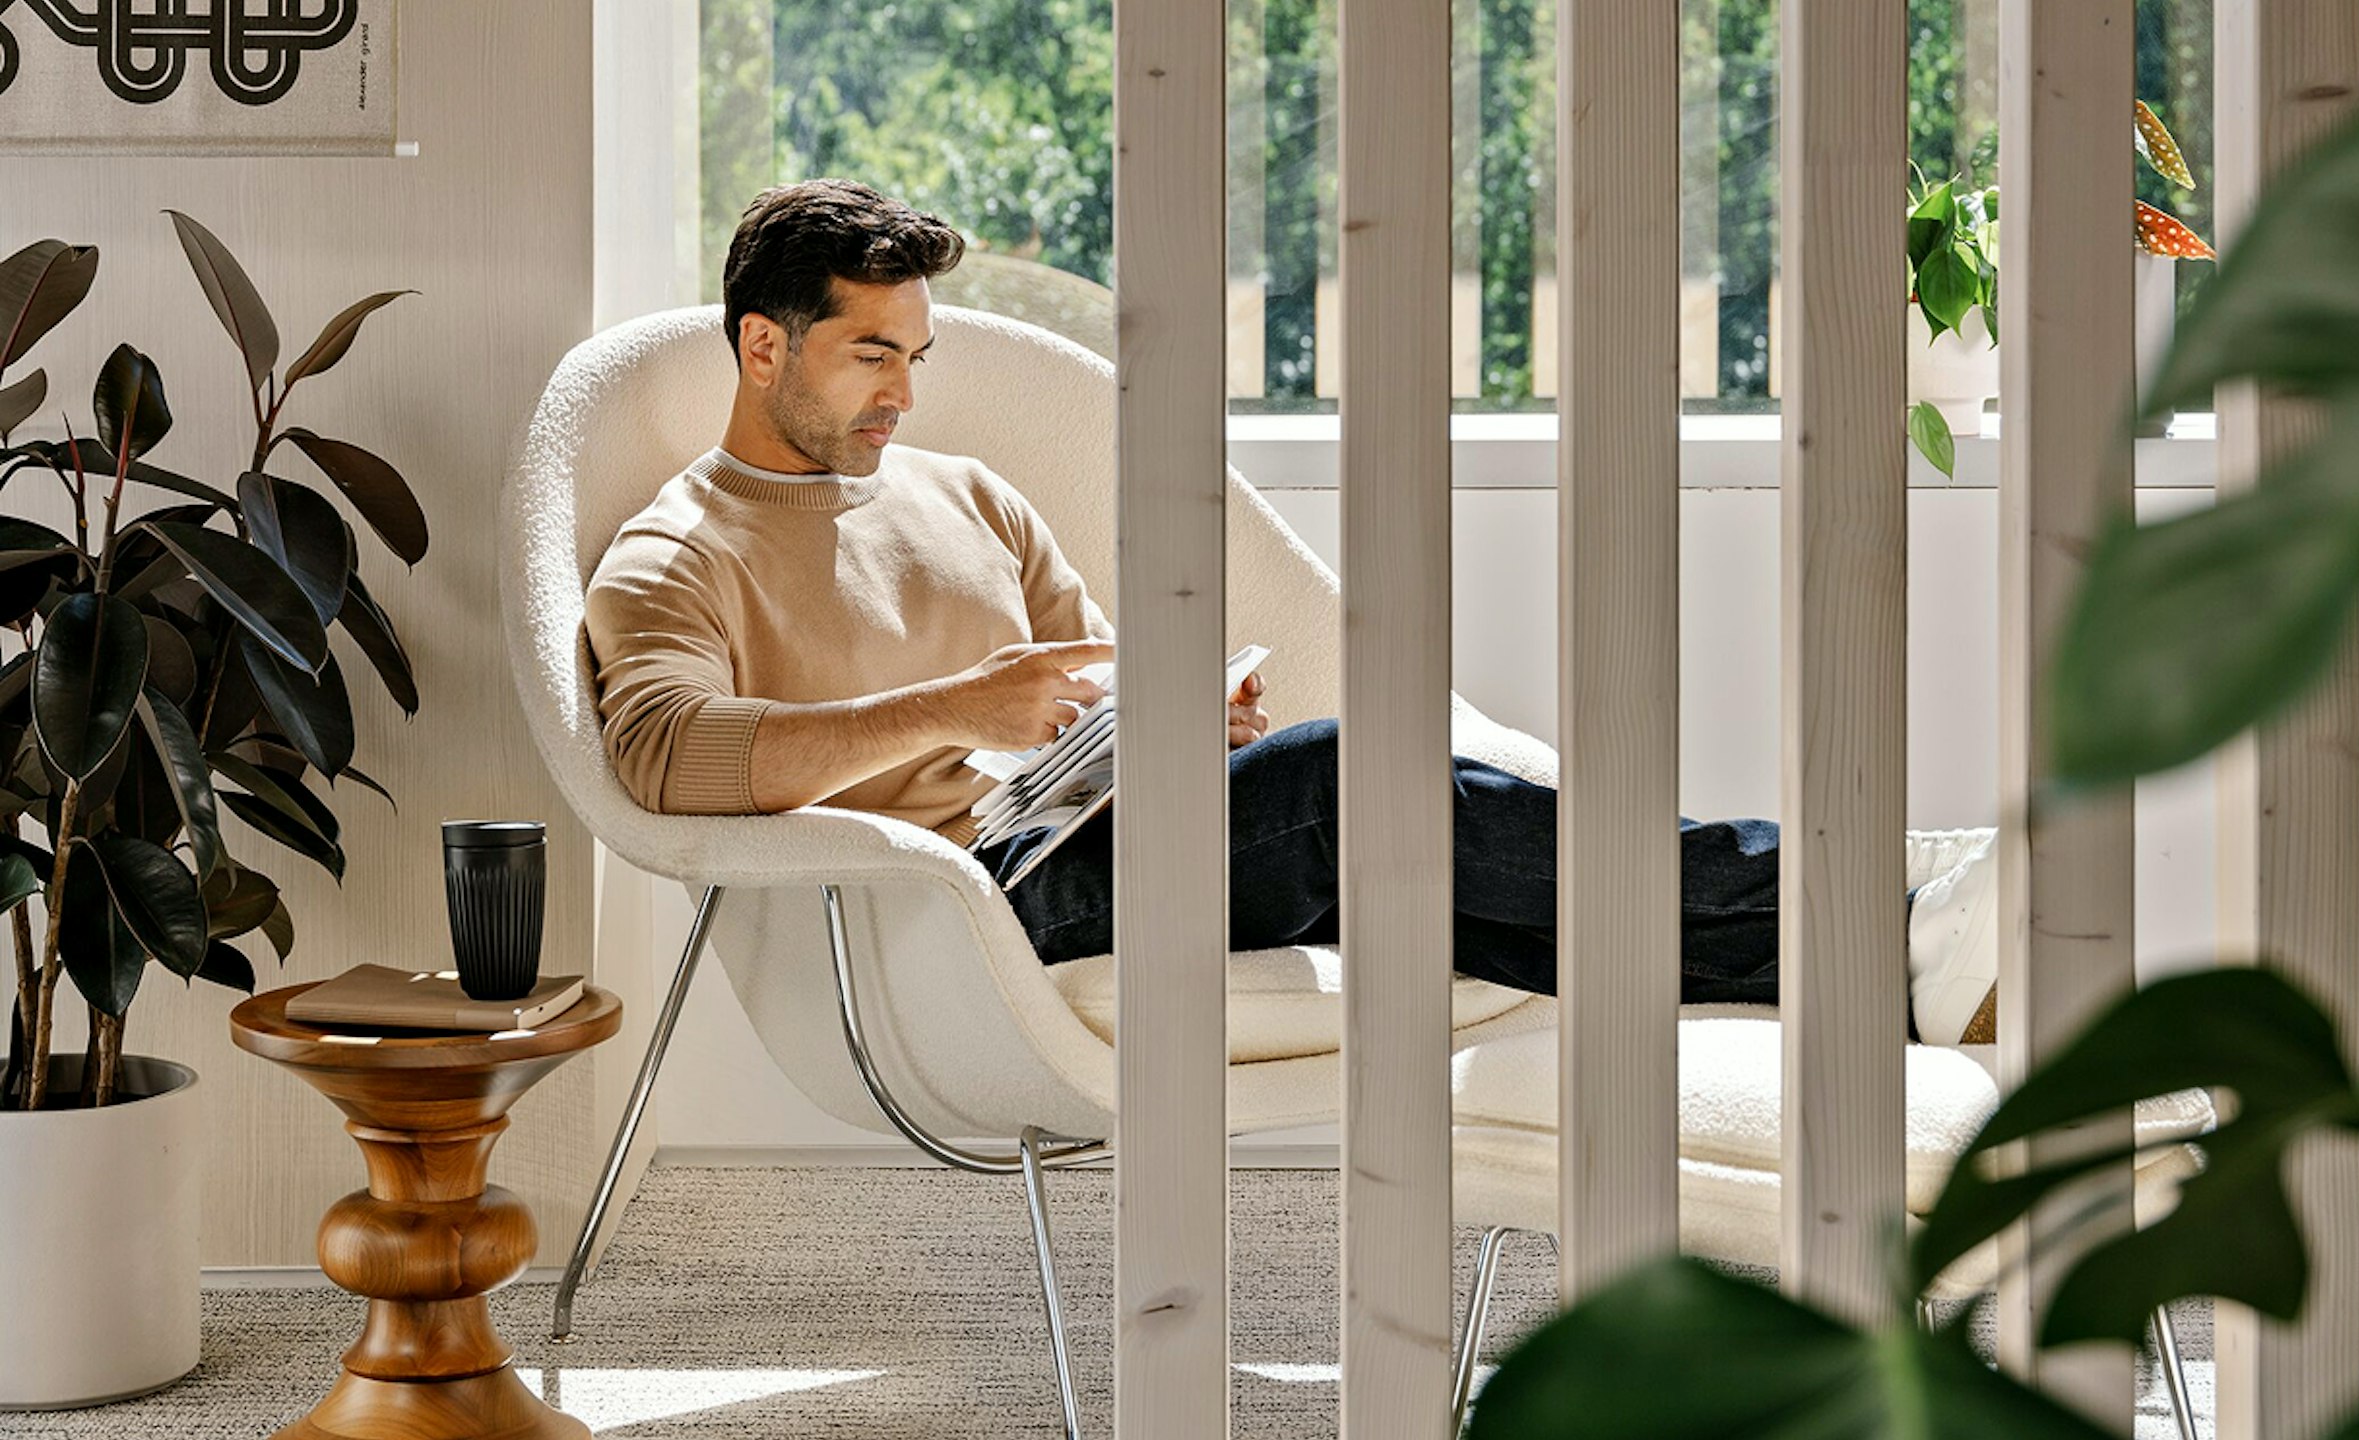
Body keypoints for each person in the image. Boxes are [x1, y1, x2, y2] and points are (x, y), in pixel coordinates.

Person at [582, 179, 2001, 1044]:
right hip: (957, 909)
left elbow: (1089, 682)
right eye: (869, 354)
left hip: (1082, 838)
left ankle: (1881, 972)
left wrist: (1175, 721)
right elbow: (660, 760)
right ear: (762, 346)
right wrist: (962, 707)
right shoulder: (674, 553)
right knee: (1344, 780)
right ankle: (1885, 893)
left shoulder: (967, 493)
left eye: (919, 355)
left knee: (1434, 871)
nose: (903, 390)